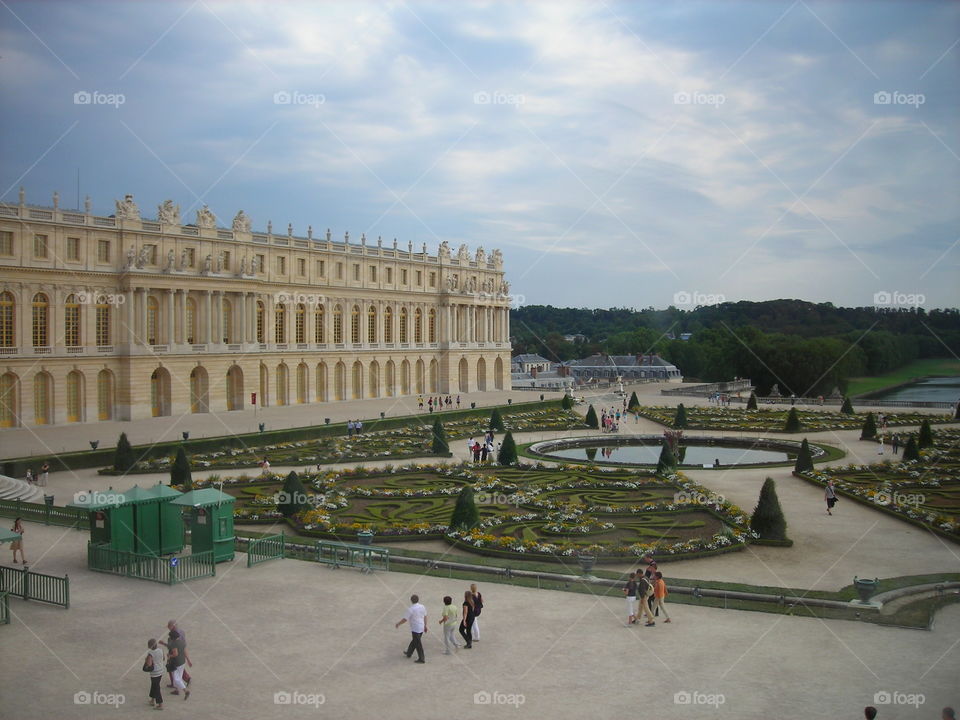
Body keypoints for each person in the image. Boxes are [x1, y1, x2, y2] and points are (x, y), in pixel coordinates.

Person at [159, 620, 191, 689]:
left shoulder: (172, 636)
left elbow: (172, 646)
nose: (168, 628)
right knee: (179, 668)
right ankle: (186, 678)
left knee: (172, 668)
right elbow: (183, 644)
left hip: (174, 653)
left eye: (169, 626)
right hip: (181, 652)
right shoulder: (181, 632)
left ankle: (177, 685)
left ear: (172, 626)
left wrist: (163, 644)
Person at [396, 594, 427, 663]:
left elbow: (405, 619)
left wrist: (398, 623)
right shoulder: (422, 606)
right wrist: (425, 625)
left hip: (415, 628)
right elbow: (425, 616)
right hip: (421, 626)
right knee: (415, 641)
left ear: (411, 601)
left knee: (418, 644)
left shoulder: (411, 609)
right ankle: (409, 652)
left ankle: (421, 659)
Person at [165, 630, 190, 700]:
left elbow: (175, 654)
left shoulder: (174, 644)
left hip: (177, 663)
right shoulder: (182, 642)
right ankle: (177, 690)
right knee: (178, 676)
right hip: (182, 661)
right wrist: (188, 660)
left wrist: (169, 655)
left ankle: (186, 691)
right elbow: (185, 651)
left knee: (176, 679)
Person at [145, 638, 165, 710]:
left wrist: (146, 660)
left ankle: (160, 704)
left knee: (156, 688)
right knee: (154, 686)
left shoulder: (150, 653)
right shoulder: (160, 650)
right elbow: (163, 659)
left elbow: (149, 664)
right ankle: (152, 700)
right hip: (161, 671)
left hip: (154, 673)